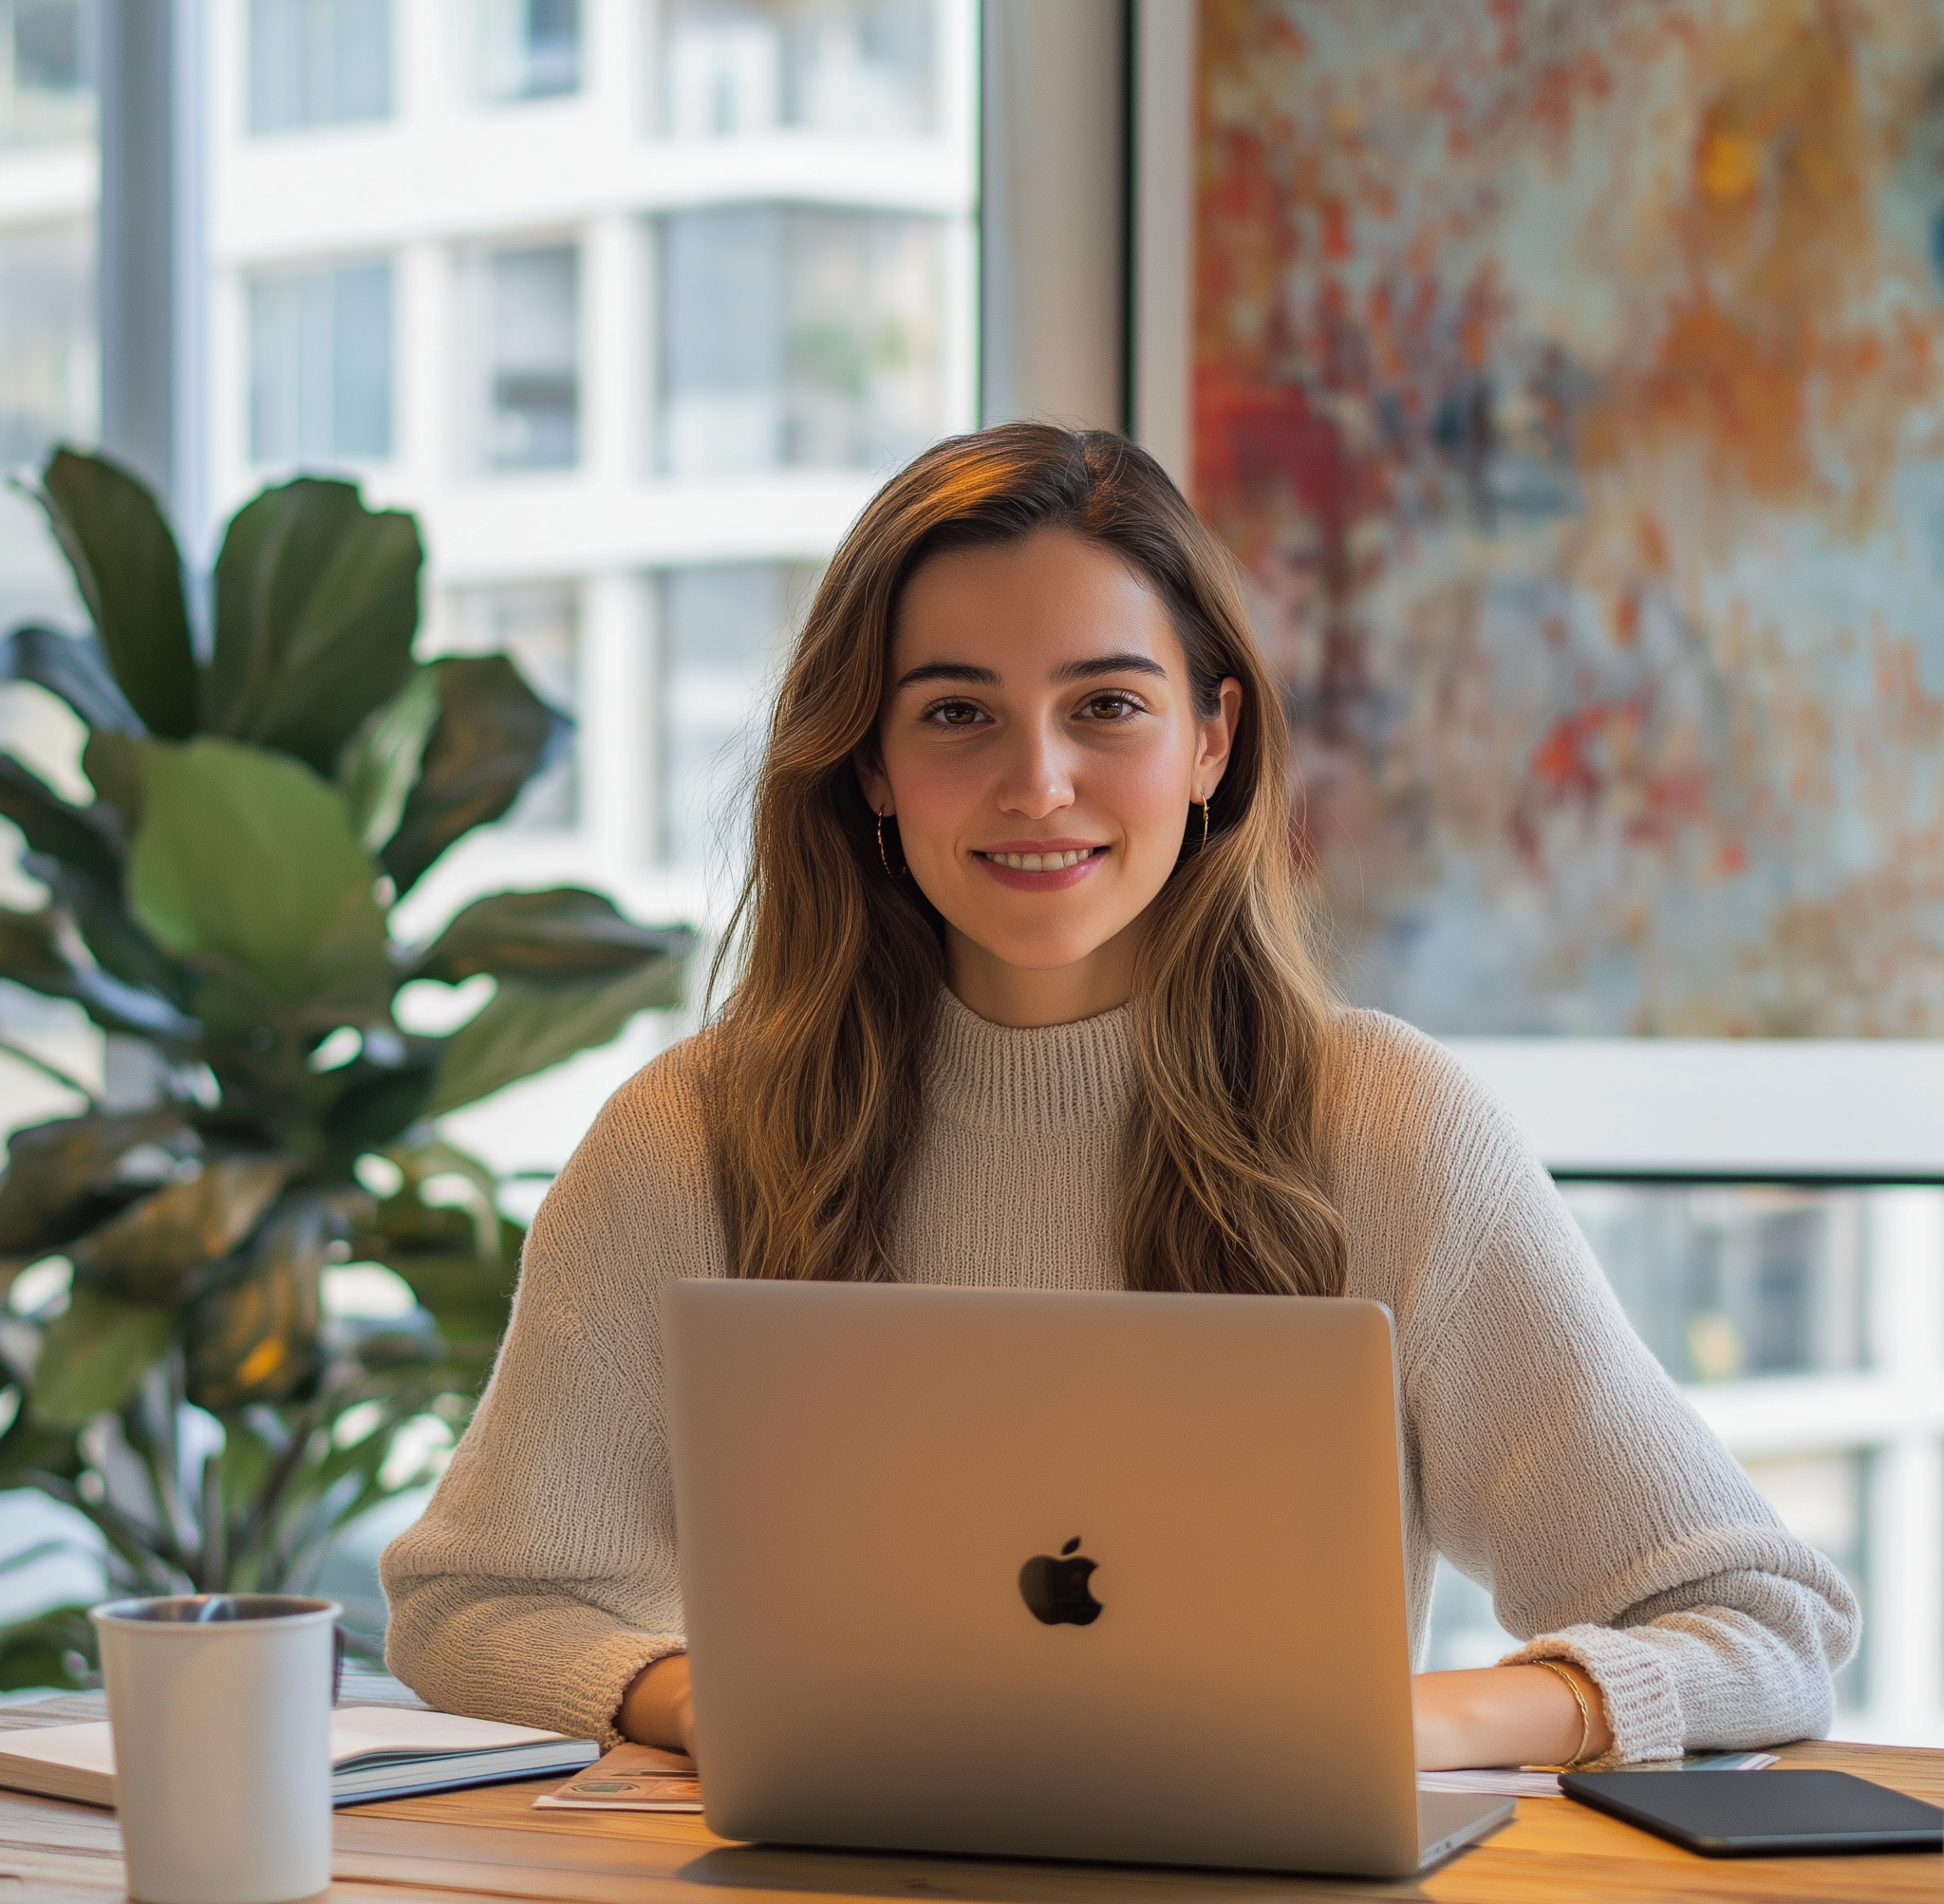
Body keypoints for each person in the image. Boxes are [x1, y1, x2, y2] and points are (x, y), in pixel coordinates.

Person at [381, 423, 1858, 1774]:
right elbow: (476, 1606)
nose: (1038, 782)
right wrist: (719, 1702)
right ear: (874, 767)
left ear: (1212, 741)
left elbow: (1759, 1625)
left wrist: (1420, 1720)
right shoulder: (690, 1140)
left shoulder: (1389, 1127)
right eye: (957, 714)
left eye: (1107, 706)